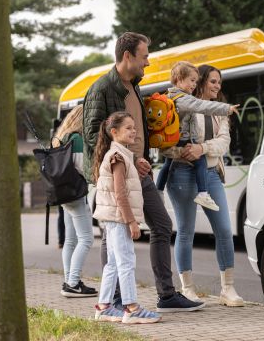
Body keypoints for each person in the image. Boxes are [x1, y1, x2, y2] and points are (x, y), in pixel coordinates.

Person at [82, 32, 203, 312]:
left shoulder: (135, 86)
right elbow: (92, 135)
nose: (148, 62)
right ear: (128, 56)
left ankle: (167, 295)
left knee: (162, 225)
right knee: (114, 234)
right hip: (117, 174)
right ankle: (112, 300)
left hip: (140, 170)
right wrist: (128, 158)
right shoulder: (102, 89)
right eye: (144, 56)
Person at [163, 64, 245, 307]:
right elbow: (167, 144)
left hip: (210, 173)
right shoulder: (184, 105)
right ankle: (187, 289)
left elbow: (223, 144)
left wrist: (202, 148)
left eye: (219, 82)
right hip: (181, 173)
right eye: (212, 81)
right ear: (199, 83)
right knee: (186, 230)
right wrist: (182, 151)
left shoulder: (219, 112)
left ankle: (228, 289)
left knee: (224, 230)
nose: (217, 86)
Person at [92, 112, 161, 324]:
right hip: (119, 218)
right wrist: (131, 221)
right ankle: (131, 308)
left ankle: (104, 307)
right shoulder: (118, 157)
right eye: (128, 128)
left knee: (113, 263)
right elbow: (120, 194)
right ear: (114, 132)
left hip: (114, 218)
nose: (134, 131)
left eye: (134, 127)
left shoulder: (121, 155)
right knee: (126, 261)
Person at [155, 61, 238, 211]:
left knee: (166, 164)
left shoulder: (169, 96)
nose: (194, 84)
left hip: (172, 139)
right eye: (192, 80)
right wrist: (227, 108)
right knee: (200, 161)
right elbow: (202, 106)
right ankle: (202, 193)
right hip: (182, 141)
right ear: (179, 80)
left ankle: (158, 191)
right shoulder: (185, 98)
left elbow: (224, 141)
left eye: (195, 81)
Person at [51, 104, 97, 297]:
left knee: (70, 240)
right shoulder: (77, 139)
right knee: (86, 239)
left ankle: (70, 280)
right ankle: (73, 283)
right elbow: (81, 168)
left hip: (64, 194)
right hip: (76, 194)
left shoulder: (60, 138)